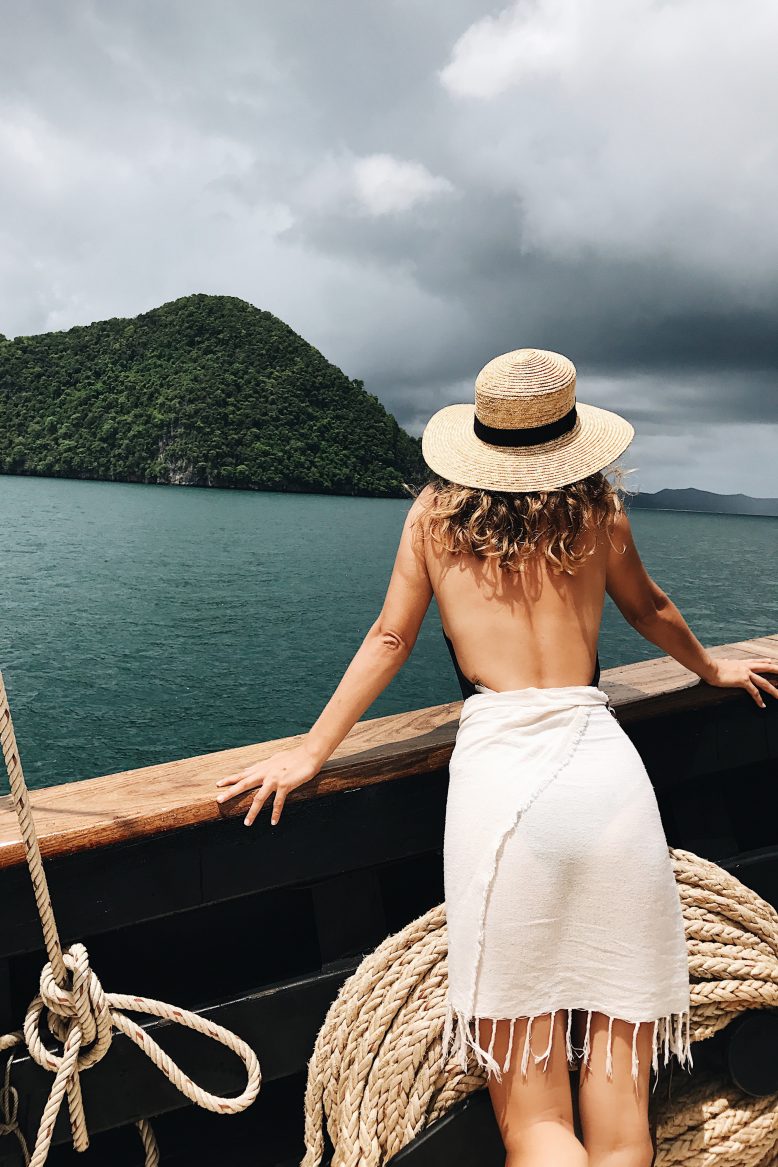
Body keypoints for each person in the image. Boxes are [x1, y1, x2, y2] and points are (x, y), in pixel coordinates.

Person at [216, 348, 778, 1167]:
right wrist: (715, 668)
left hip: (504, 801)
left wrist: (310, 752)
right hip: (610, 786)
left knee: (540, 1124)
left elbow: (389, 638)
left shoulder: (434, 518)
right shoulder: (598, 511)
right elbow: (650, 607)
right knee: (623, 1122)